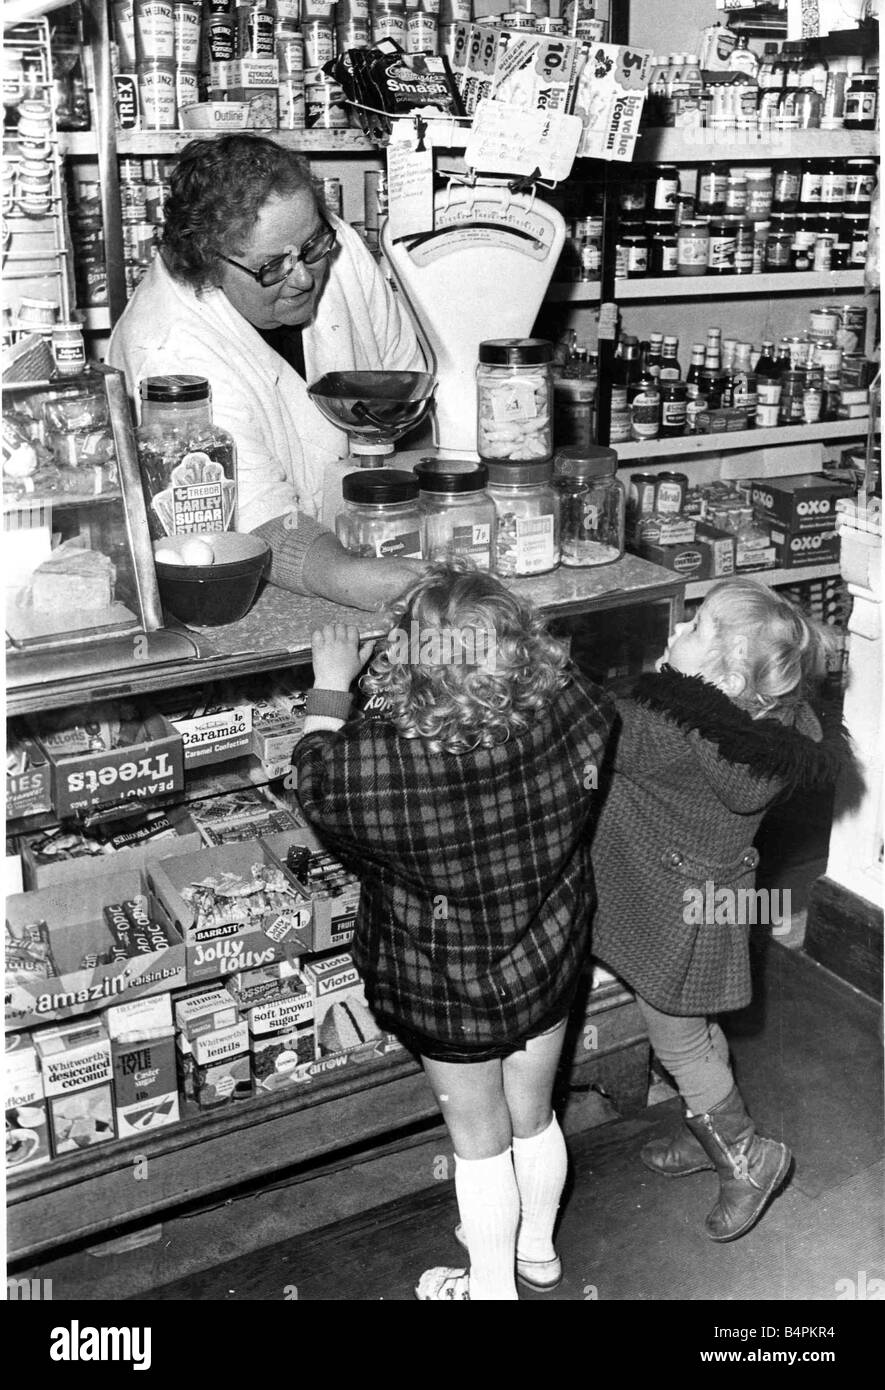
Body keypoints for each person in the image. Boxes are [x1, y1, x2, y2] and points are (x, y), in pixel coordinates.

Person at [290, 561, 616, 1299]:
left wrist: (331, 686)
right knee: (533, 1117)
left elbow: (313, 781)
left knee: (478, 1143)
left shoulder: (377, 766)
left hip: (442, 980)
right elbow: (576, 687)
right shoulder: (575, 708)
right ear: (520, 649)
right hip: (545, 951)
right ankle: (536, 1253)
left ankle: (491, 1288)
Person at [590, 578, 852, 1243]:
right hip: (712, 899)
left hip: (668, 913)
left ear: (730, 675)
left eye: (698, 626)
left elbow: (589, 731)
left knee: (675, 1036)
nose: (680, 628)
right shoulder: (777, 726)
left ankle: (745, 1155)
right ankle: (702, 1125)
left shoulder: (663, 725)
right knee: (695, 1027)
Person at [108, 134, 427, 611]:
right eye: (271, 267)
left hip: (370, 536)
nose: (303, 276)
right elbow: (254, 517)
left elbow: (406, 387)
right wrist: (354, 576)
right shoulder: (169, 350)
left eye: (312, 244)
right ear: (206, 264)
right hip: (244, 588)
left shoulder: (325, 243)